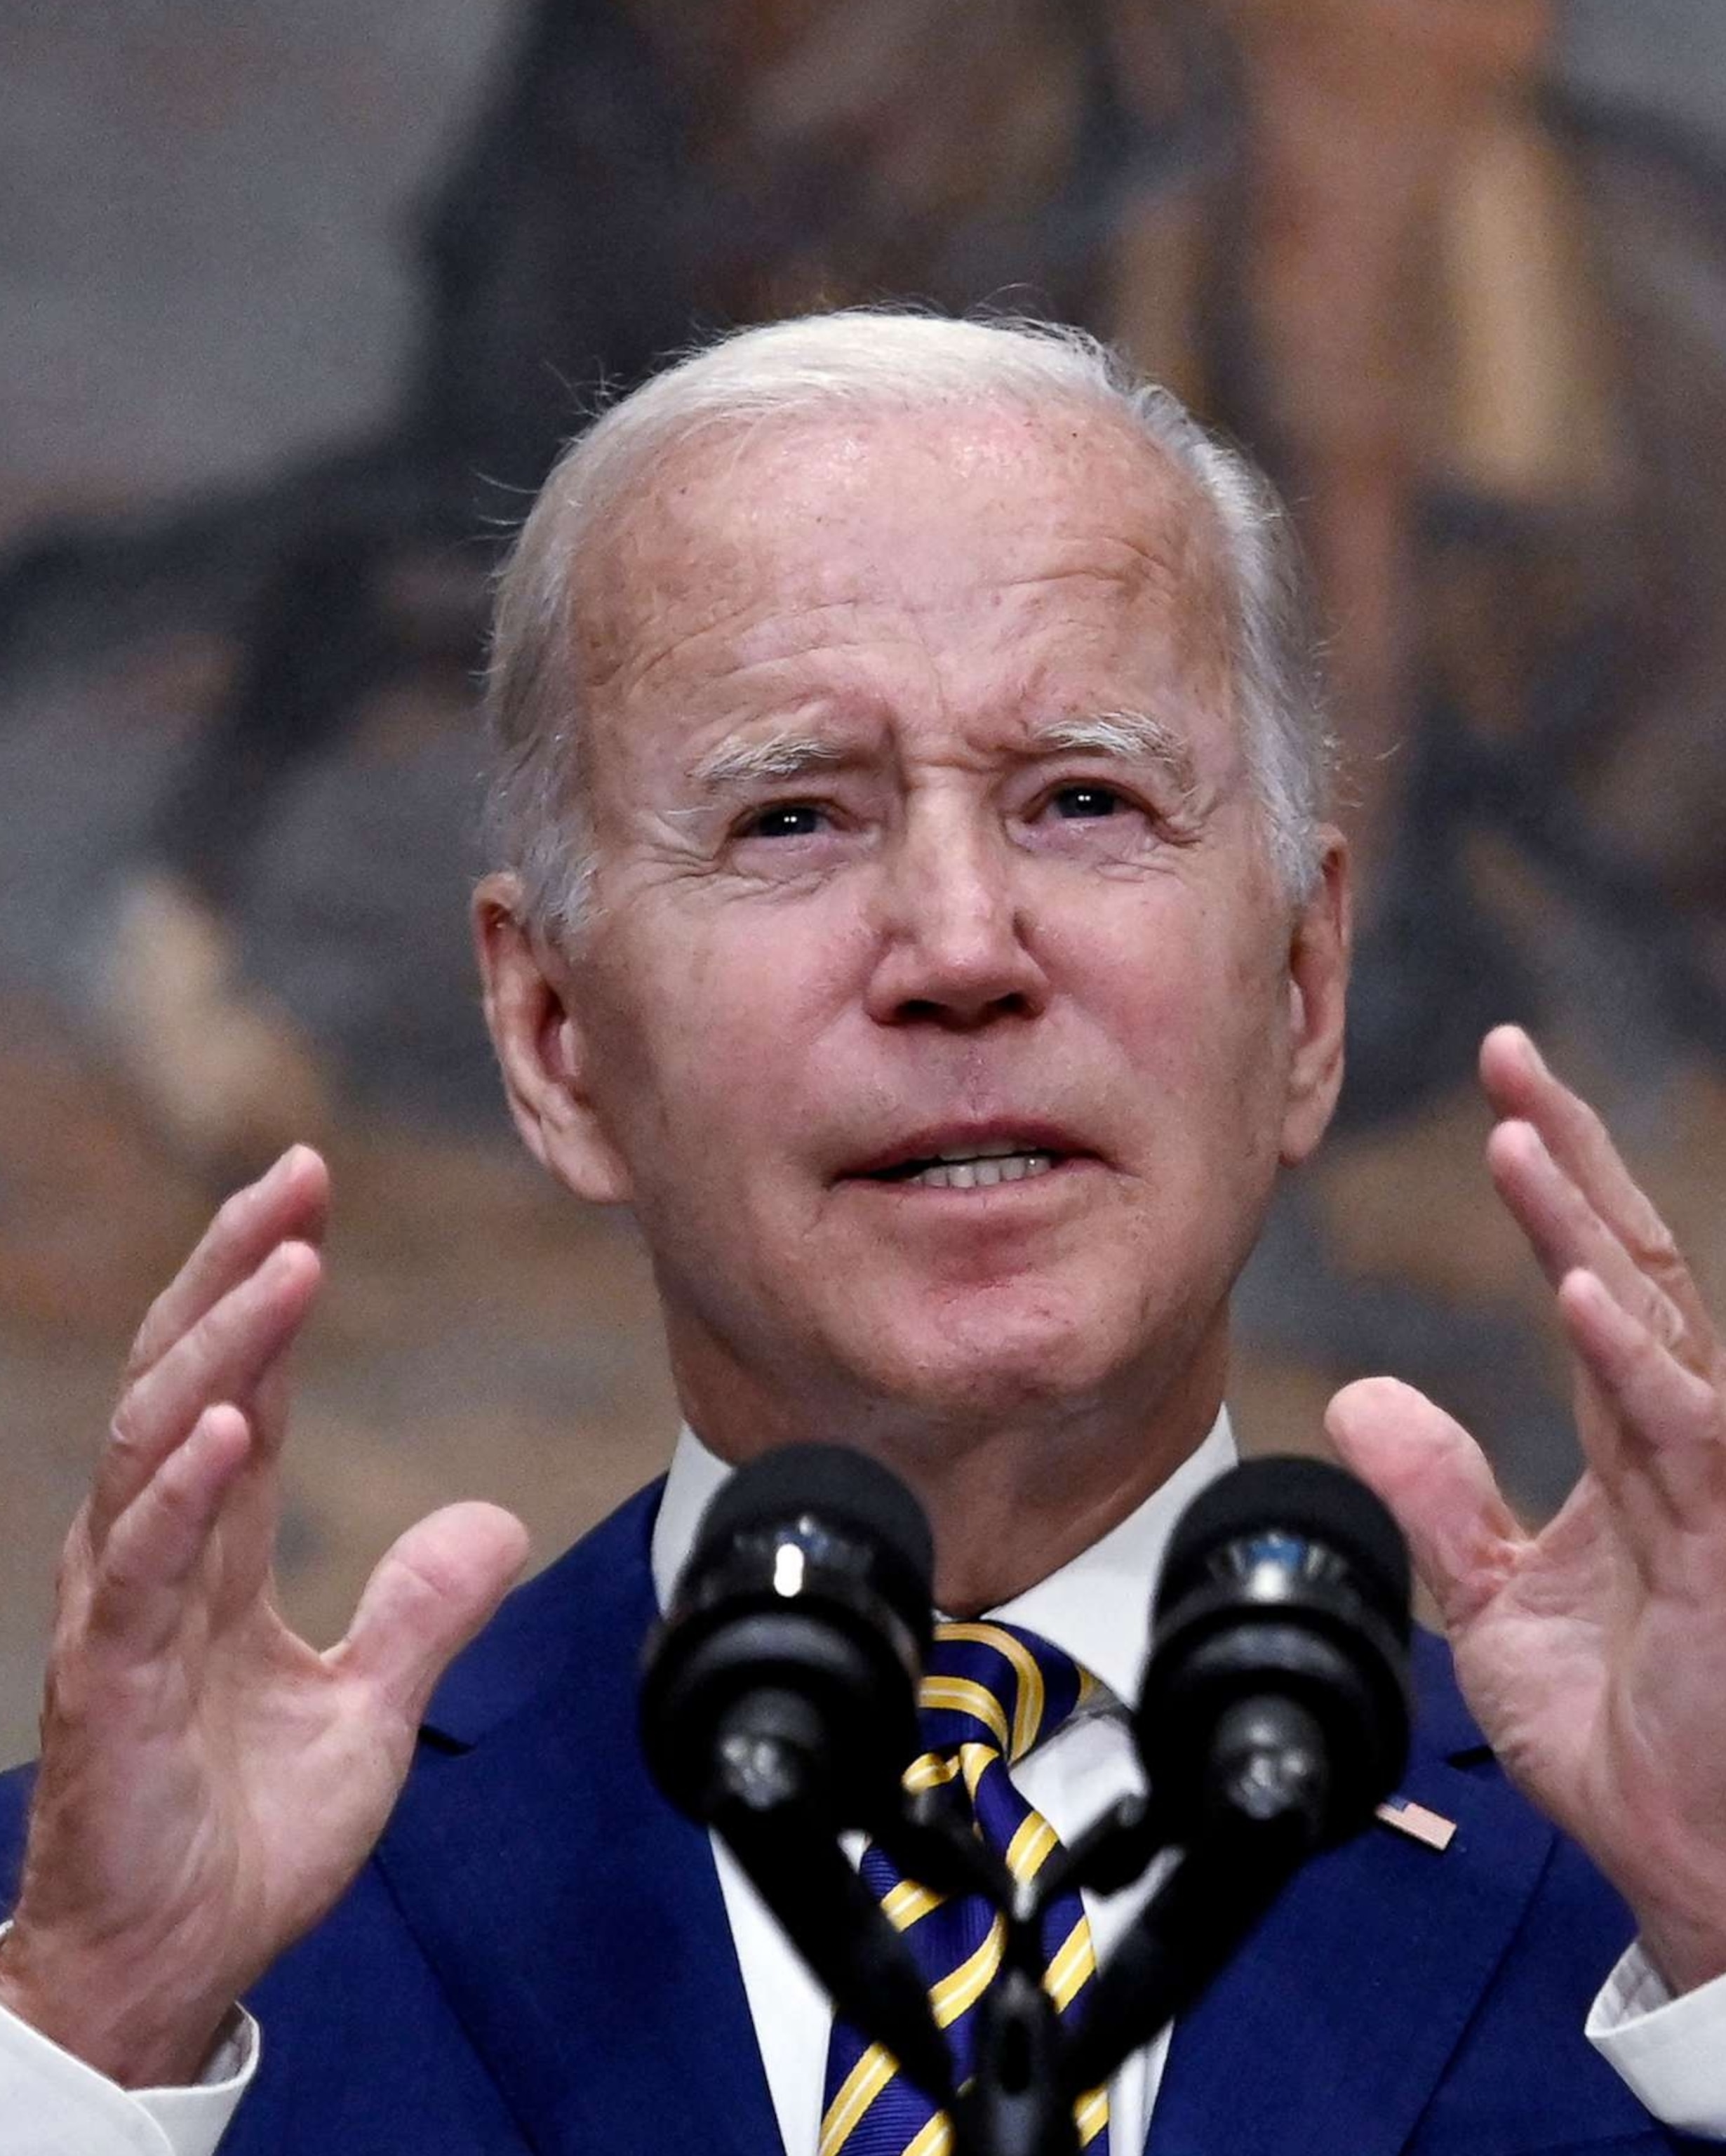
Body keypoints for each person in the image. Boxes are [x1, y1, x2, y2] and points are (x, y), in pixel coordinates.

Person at [1, 311, 1723, 2153]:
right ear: (555, 1038)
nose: (963, 948)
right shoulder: (105, 1953)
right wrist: (92, 2052)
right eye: (792, 816)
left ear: (1301, 996)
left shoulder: (1656, 1861)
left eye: (1082, 799)